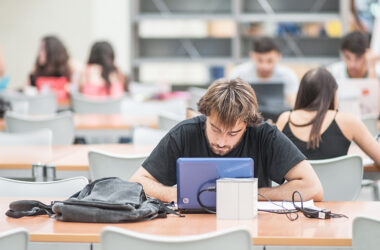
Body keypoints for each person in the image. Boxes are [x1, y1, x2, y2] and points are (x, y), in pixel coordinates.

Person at [130, 78, 323, 203]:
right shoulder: (185, 133)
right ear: (205, 115)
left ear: (248, 124)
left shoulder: (264, 135)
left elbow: (313, 188)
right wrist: (177, 195)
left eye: (233, 133)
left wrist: (250, 196)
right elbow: (138, 181)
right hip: (191, 231)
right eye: (215, 129)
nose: (221, 142)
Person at [276, 68, 380, 166]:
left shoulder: (285, 119)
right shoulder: (347, 121)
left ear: (301, 93)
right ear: (332, 93)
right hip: (339, 185)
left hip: (298, 185)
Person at [228, 37, 299, 107]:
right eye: (260, 60)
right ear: (252, 56)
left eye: (270, 61)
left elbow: (294, 104)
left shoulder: (288, 75)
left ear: (278, 57)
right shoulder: (238, 74)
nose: (264, 66)